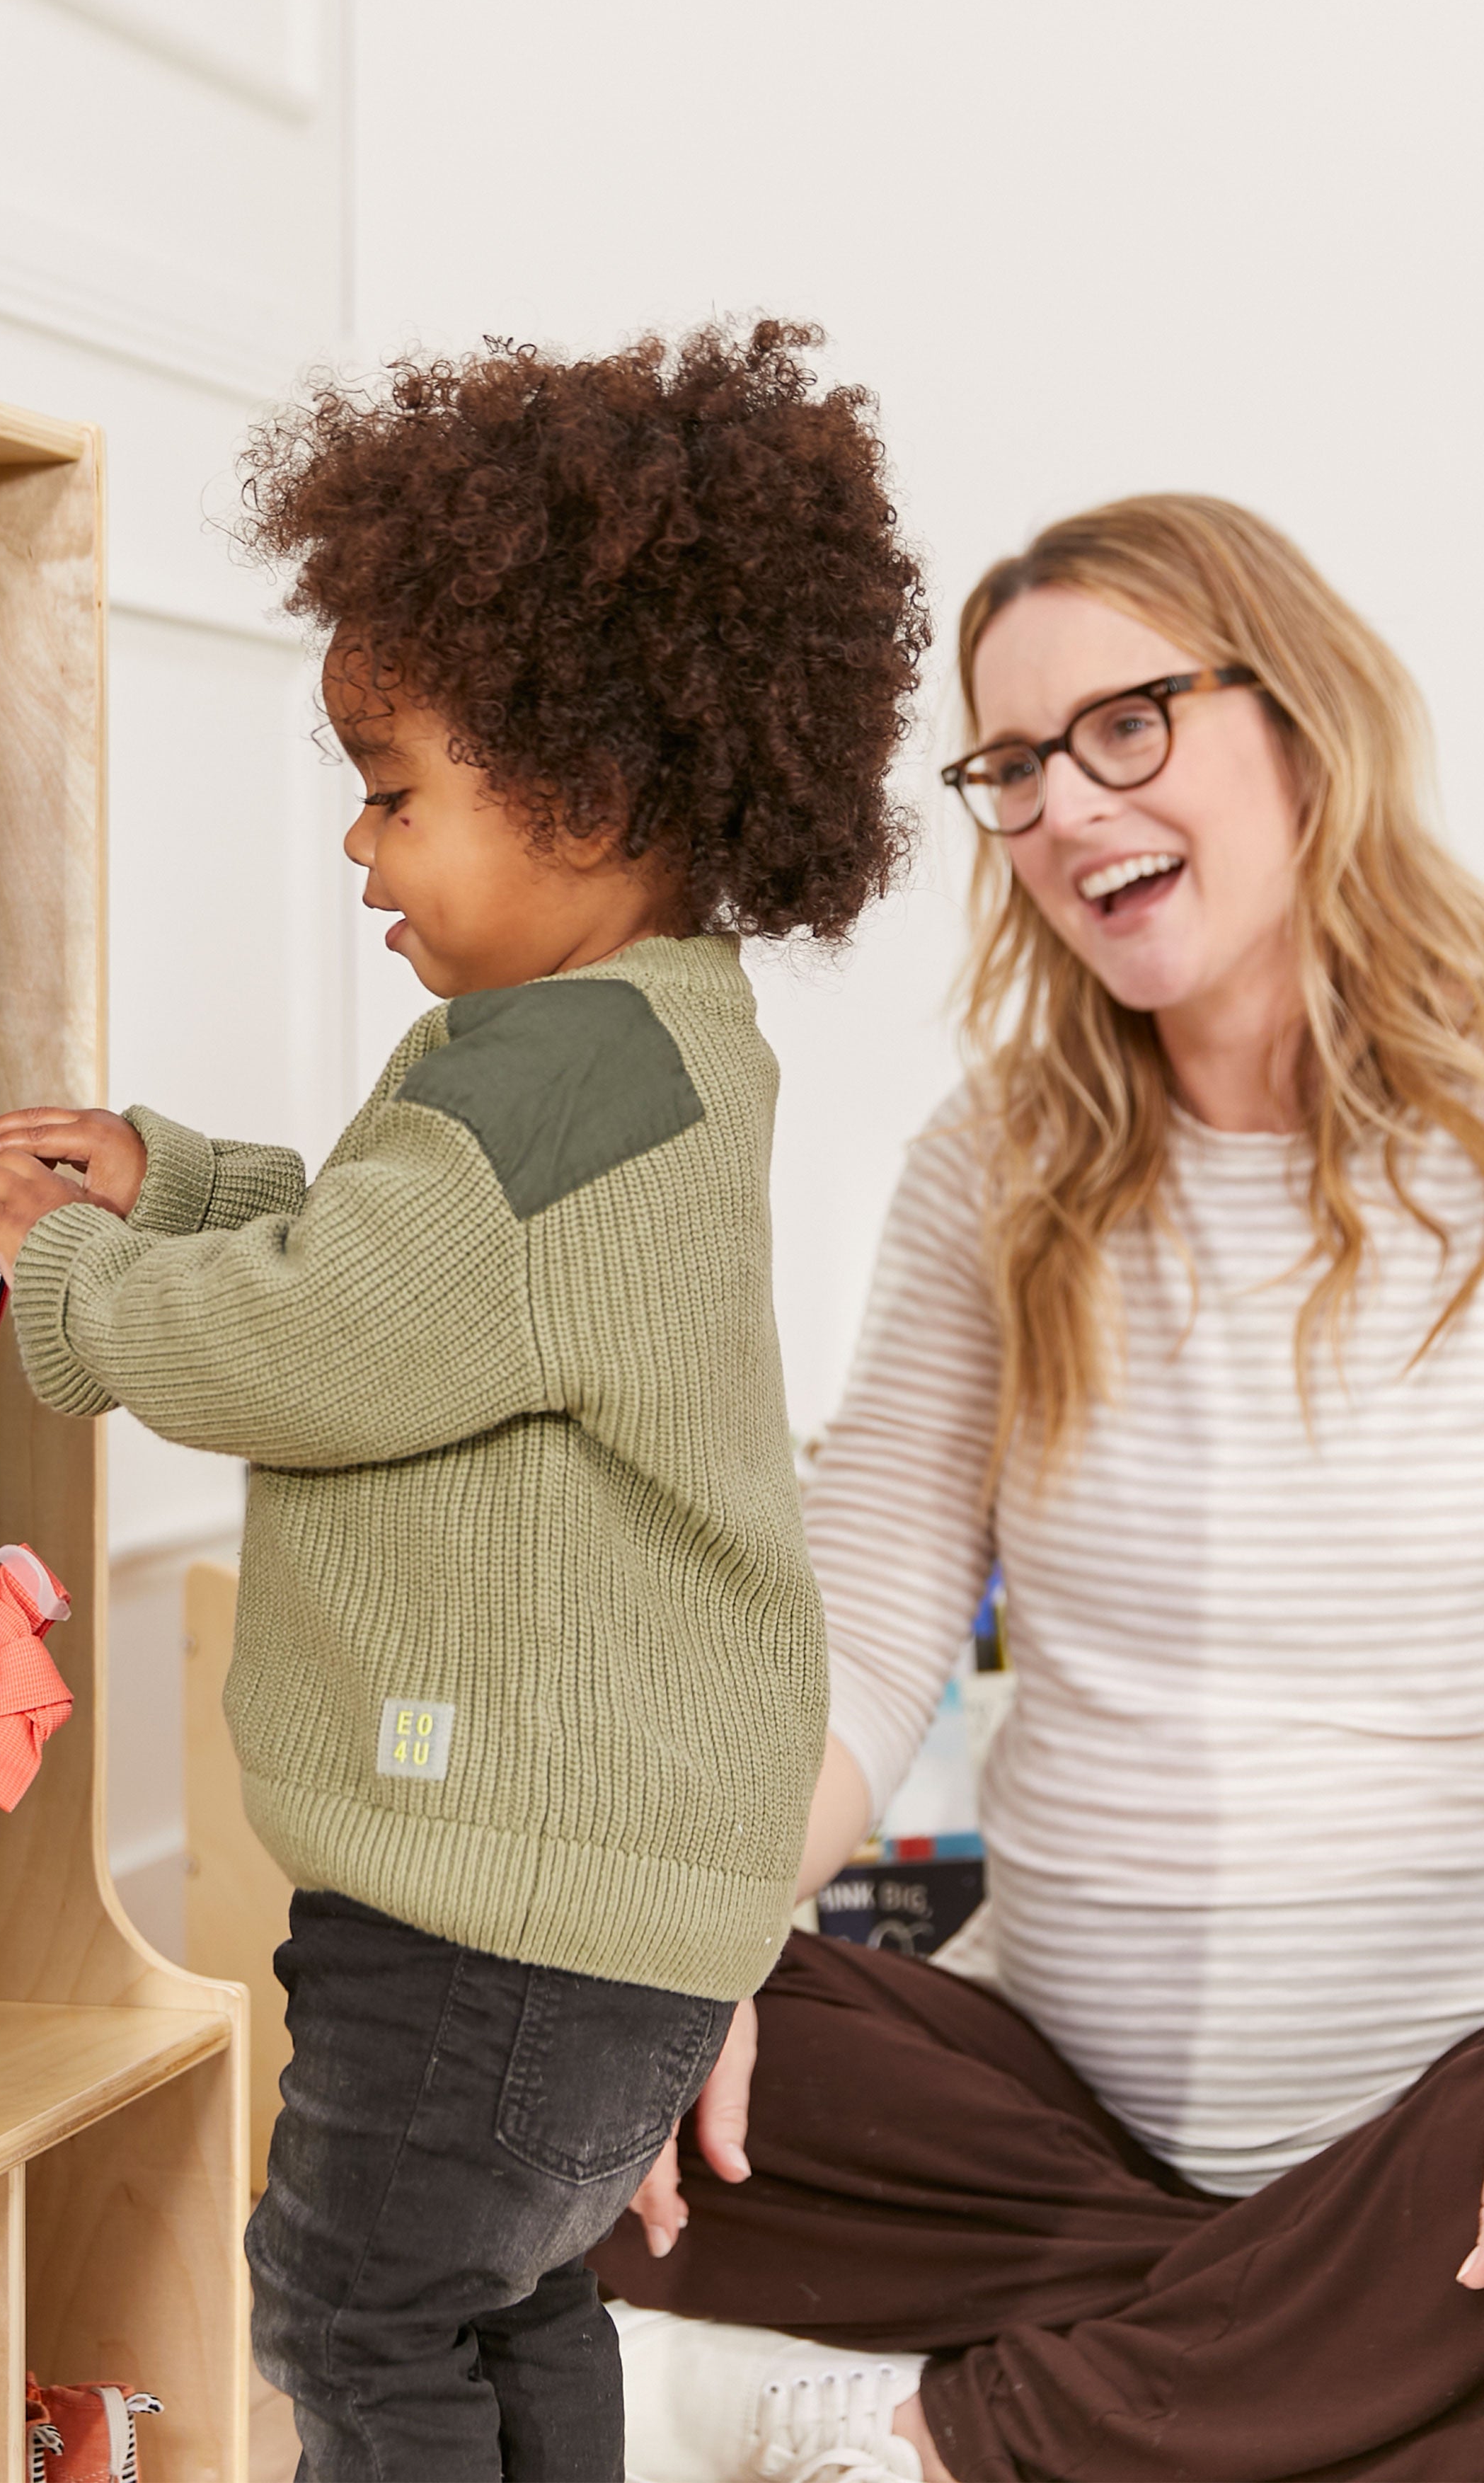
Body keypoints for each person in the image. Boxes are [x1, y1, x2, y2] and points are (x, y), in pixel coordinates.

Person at [0, 323, 929, 2483]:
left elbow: (330, 1338)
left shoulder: (568, 1078)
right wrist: (186, 1183)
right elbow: (419, 1278)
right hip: (603, 1913)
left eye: (393, 789)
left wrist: (62, 1275)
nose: (358, 849)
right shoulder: (632, 1051)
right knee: (507, 2300)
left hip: (496, 1906)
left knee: (350, 2301)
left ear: (583, 792)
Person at [599, 494, 1484, 2483]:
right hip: (1049, 2129)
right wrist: (712, 1934)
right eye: (1014, 765)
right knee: (559, 2050)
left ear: (1304, 718)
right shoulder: (998, 1157)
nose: (1071, 807)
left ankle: (942, 2437)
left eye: (1128, 726)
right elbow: (879, 1610)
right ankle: (1304, 2363)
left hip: (1445, 2129)